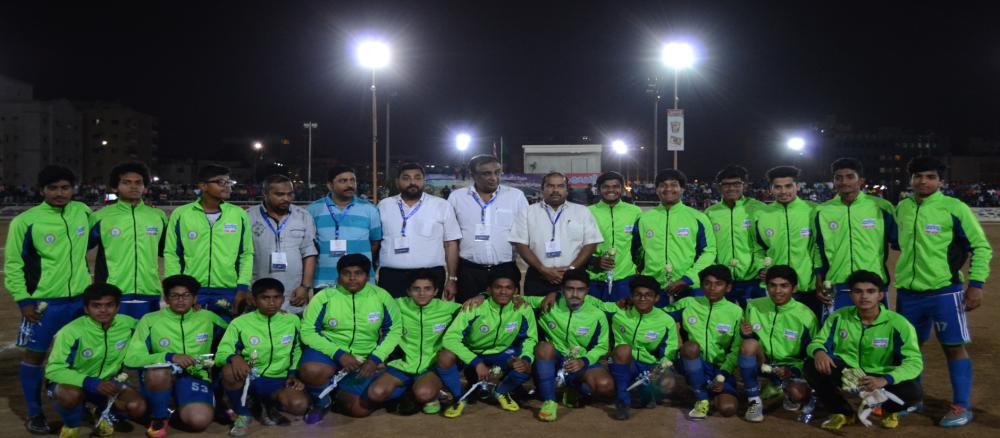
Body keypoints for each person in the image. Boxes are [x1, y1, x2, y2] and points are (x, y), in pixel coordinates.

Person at [893, 156, 992, 427]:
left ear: (940, 181)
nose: (923, 181)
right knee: (909, 350)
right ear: (910, 179)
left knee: (953, 347)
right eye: (918, 176)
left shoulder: (954, 208)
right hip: (908, 293)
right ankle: (912, 398)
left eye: (930, 177)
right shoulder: (902, 207)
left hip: (944, 292)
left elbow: (981, 247)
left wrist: (976, 285)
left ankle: (961, 405)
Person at [4, 165, 92, 434]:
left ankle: (79, 403)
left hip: (79, 301)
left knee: (78, 358)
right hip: (43, 304)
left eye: (65, 187)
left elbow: (90, 242)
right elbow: (13, 265)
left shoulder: (83, 213)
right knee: (35, 357)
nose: (59, 193)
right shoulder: (25, 221)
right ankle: (35, 412)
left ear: (73, 189)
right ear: (42, 190)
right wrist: (23, 300)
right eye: (52, 188)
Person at [805, 270, 923, 431]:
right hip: (849, 375)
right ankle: (842, 413)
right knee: (812, 364)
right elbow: (817, 342)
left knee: (913, 393)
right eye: (858, 291)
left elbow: (914, 362)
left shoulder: (899, 324)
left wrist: (885, 379)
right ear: (851, 295)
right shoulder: (839, 317)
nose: (864, 296)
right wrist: (818, 351)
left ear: (880, 295)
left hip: (880, 377)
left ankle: (888, 410)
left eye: (871, 291)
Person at [297, 254, 401, 423]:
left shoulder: (382, 297)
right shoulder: (324, 297)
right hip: (328, 353)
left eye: (358, 273)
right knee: (311, 370)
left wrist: (375, 359)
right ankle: (321, 401)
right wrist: (339, 354)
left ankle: (337, 391)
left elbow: (394, 330)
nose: (352, 278)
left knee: (359, 411)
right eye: (346, 273)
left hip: (364, 357)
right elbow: (308, 332)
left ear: (367, 276)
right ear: (339, 275)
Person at [124, 274, 228, 437]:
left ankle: (176, 407)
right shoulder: (150, 320)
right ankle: (159, 417)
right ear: (166, 298)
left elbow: (236, 336)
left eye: (186, 295)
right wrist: (169, 356)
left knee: (199, 421)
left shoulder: (209, 318)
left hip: (196, 377)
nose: (181, 300)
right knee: (158, 372)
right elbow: (131, 358)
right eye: (175, 295)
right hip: (163, 378)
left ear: (195, 298)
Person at [45, 283, 145, 438]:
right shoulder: (70, 332)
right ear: (86, 309)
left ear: (118, 307)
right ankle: (71, 424)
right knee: (70, 396)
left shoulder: (129, 324)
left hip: (109, 381)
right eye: (96, 306)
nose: (103, 310)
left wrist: (193, 312)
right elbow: (53, 370)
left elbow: (155, 328)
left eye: (109, 305)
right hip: (73, 383)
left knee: (136, 407)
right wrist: (91, 383)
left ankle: (100, 411)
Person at [436, 271, 538, 418]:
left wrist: (527, 359)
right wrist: (476, 362)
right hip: (472, 353)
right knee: (445, 357)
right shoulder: (474, 307)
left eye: (508, 288)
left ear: (515, 291)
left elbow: (530, 338)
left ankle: (502, 391)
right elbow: (449, 339)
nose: (503, 291)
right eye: (498, 287)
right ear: (489, 290)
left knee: (525, 366)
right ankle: (460, 397)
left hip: (502, 354)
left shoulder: (523, 308)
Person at [216, 278, 309, 437]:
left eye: (276, 297)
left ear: (283, 298)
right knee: (229, 371)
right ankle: (243, 413)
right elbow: (221, 354)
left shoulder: (292, 320)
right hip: (249, 378)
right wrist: (234, 358)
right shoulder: (240, 323)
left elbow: (297, 349)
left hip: (279, 379)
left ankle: (267, 405)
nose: (272, 303)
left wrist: (293, 374)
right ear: (254, 299)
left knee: (299, 405)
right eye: (265, 298)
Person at [363, 269, 461, 415]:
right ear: (408, 291)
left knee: (424, 394)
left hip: (429, 366)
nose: (422, 293)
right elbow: (370, 303)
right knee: (375, 394)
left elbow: (478, 310)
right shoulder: (396, 305)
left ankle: (429, 391)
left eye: (427, 289)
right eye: (416, 289)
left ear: (435, 291)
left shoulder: (449, 308)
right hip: (402, 365)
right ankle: (409, 392)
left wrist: (481, 296)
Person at [164, 164, 254, 320]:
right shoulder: (181, 214)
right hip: (191, 290)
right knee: (193, 338)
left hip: (228, 289)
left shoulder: (238, 214)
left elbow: (246, 253)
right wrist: (176, 288)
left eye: (229, 182)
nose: (227, 187)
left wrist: (242, 287)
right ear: (203, 186)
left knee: (224, 337)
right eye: (221, 182)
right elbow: (172, 253)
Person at [522, 269, 614, 422]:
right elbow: (509, 296)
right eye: (570, 289)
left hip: (579, 362)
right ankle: (549, 401)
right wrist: (483, 296)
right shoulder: (548, 303)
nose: (575, 294)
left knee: (605, 386)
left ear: (587, 291)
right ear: (562, 289)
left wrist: (583, 361)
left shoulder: (597, 315)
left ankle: (573, 389)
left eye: (580, 290)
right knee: (543, 347)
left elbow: (602, 347)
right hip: (554, 359)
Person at [594, 275, 680, 421]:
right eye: (638, 294)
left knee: (668, 383)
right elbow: (592, 302)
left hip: (649, 366)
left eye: (648, 295)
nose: (642, 299)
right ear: (631, 296)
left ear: (656, 298)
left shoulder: (666, 320)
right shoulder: (618, 311)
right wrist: (556, 293)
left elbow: (669, 350)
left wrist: (659, 367)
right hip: (624, 363)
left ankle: (644, 393)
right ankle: (622, 400)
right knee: (623, 349)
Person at [738, 265, 818, 423]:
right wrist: (746, 334)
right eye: (772, 285)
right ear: (766, 287)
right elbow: (749, 339)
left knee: (798, 394)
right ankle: (754, 401)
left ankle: (784, 389)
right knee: (748, 345)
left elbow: (812, 355)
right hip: (763, 362)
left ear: (794, 288)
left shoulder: (806, 316)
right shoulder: (753, 306)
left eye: (784, 286)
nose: (777, 291)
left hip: (790, 367)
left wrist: (792, 370)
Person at [815, 158, 895, 313]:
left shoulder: (881, 207)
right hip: (836, 283)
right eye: (839, 177)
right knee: (837, 334)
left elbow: (902, 243)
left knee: (875, 332)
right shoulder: (821, 211)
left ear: (861, 181)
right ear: (834, 181)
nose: (844, 181)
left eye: (850, 176)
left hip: (873, 283)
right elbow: (818, 249)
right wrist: (819, 281)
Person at [90, 162, 168, 319]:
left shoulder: (158, 216)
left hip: (149, 291)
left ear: (145, 187)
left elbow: (166, 251)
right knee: (115, 341)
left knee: (144, 341)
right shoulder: (100, 217)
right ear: (115, 187)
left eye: (138, 183)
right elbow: (78, 252)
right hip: (113, 292)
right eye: (126, 182)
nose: (134, 187)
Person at [665, 265, 742, 420]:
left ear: (728, 288)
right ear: (701, 285)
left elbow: (736, 349)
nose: (712, 288)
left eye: (719, 284)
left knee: (728, 408)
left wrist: (724, 374)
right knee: (690, 347)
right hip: (692, 361)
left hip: (719, 370)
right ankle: (702, 398)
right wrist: (630, 303)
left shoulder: (736, 312)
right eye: (707, 283)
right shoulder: (688, 303)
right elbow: (658, 315)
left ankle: (707, 390)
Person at [448, 154, 528, 302]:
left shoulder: (516, 197)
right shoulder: (457, 198)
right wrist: (452, 278)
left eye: (497, 172)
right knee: (469, 316)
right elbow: (451, 240)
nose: (494, 177)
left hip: (505, 270)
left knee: (505, 318)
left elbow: (525, 234)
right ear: (473, 175)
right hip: (469, 272)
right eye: (487, 173)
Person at [377, 163, 461, 298]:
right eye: (406, 178)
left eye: (417, 178)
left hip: (430, 276)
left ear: (424, 181)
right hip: (392, 275)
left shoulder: (441, 205)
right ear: (397, 182)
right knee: (393, 317)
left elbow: (451, 244)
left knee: (428, 318)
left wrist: (452, 279)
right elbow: (376, 240)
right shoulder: (384, 205)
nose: (412, 182)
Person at [510, 172, 603, 296]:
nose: (555, 190)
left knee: (571, 314)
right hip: (538, 278)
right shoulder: (527, 212)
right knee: (536, 314)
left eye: (560, 186)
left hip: (573, 279)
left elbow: (590, 243)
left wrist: (571, 270)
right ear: (542, 189)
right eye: (550, 186)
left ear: (567, 190)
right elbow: (521, 245)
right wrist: (543, 270)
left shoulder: (582, 212)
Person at [635, 169, 717, 306]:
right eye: (663, 185)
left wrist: (687, 279)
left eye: (673, 185)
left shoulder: (698, 217)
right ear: (656, 189)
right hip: (653, 288)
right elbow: (635, 251)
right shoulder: (644, 218)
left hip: (690, 287)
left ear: (682, 189)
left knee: (690, 327)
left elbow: (709, 252)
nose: (668, 189)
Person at [753, 166, 822, 317]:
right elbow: (758, 249)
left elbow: (819, 248)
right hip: (777, 289)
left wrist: (819, 276)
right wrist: (761, 268)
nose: (783, 191)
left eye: (788, 186)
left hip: (807, 285)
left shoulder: (813, 210)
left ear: (797, 186)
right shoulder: (761, 215)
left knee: (811, 332)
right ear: (771, 189)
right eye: (778, 187)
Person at [248, 174, 318, 314]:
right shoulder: (248, 216)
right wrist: (246, 288)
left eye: (290, 194)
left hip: (293, 293)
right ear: (265, 193)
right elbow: (242, 256)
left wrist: (305, 287)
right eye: (279, 194)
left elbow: (309, 253)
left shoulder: (303, 216)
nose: (286, 199)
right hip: (258, 292)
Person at [306, 165, 382, 288]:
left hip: (361, 281)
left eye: (353, 180)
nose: (350, 185)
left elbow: (375, 243)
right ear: (330, 185)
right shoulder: (313, 210)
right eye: (343, 181)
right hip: (324, 280)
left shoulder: (370, 209)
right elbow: (308, 246)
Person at [705, 165, 767, 307]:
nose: (731, 188)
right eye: (726, 184)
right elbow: (708, 247)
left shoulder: (758, 209)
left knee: (755, 323)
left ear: (744, 186)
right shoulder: (710, 213)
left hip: (753, 278)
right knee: (724, 322)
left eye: (736, 184)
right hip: (722, 280)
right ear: (719, 187)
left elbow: (766, 243)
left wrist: (762, 267)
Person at [587, 171, 642, 302]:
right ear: (599, 190)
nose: (611, 190)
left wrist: (637, 267)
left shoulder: (634, 212)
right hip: (594, 278)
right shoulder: (587, 212)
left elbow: (638, 245)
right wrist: (594, 261)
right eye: (606, 187)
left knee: (622, 319)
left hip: (624, 278)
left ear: (622, 189)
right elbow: (577, 245)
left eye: (616, 186)